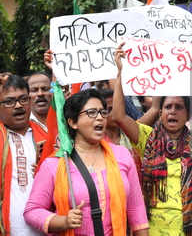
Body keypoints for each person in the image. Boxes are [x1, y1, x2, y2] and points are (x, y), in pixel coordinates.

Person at [113, 42, 192, 235]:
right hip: (155, 228)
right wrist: (121, 74)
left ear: (188, 115)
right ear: (160, 112)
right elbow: (119, 117)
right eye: (168, 107)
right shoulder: (147, 138)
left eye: (179, 107)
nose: (173, 111)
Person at [24, 88, 149, 236]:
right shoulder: (54, 164)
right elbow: (32, 211)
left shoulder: (121, 154)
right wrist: (63, 222)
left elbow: (136, 207)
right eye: (91, 113)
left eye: (102, 112)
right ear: (73, 122)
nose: (100, 118)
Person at [0, 74, 47, 235]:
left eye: (23, 99)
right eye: (9, 101)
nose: (18, 105)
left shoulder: (47, 135)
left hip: (47, 227)